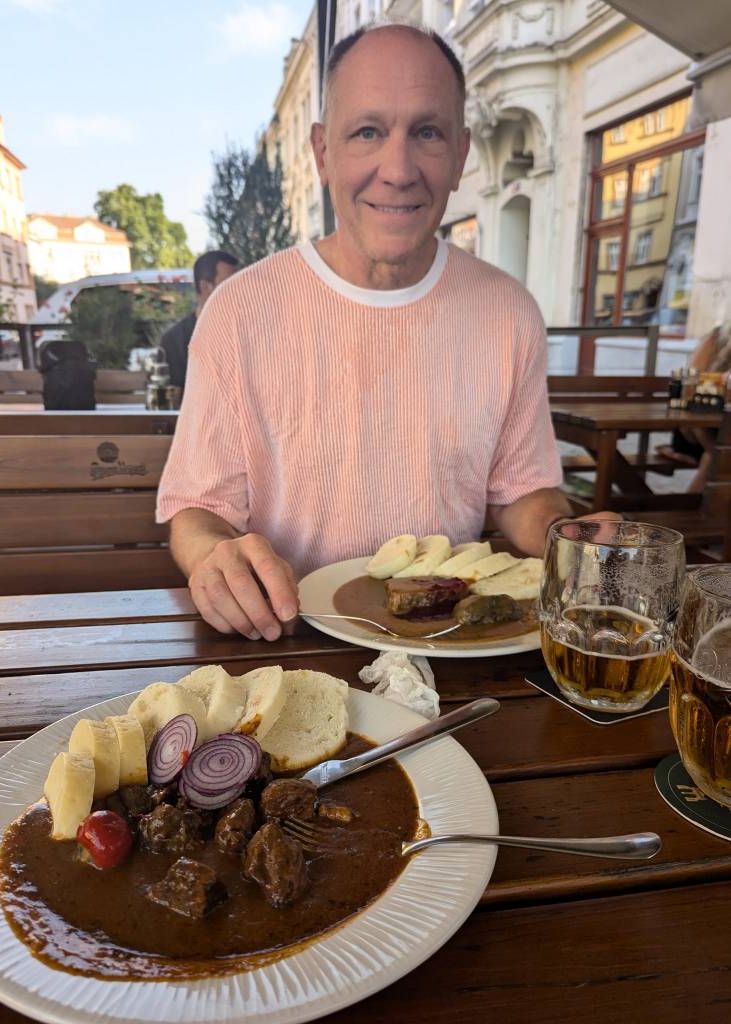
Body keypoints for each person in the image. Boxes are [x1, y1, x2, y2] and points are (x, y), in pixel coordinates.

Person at [156, 20, 614, 642]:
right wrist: (213, 556)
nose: (397, 169)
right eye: (368, 131)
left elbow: (521, 493)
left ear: (459, 155)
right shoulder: (240, 309)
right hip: (283, 634)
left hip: (448, 643)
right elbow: (198, 510)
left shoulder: (509, 312)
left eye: (426, 132)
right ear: (322, 152)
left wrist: (570, 537)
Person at [656, 320, 731, 492]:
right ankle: (694, 513)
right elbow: (691, 383)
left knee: (718, 455)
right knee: (716, 456)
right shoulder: (717, 338)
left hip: (721, 431)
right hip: (696, 430)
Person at [160, 250, 238, 389]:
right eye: (230, 284)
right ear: (205, 287)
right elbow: (178, 398)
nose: (239, 291)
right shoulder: (174, 341)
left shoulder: (246, 333)